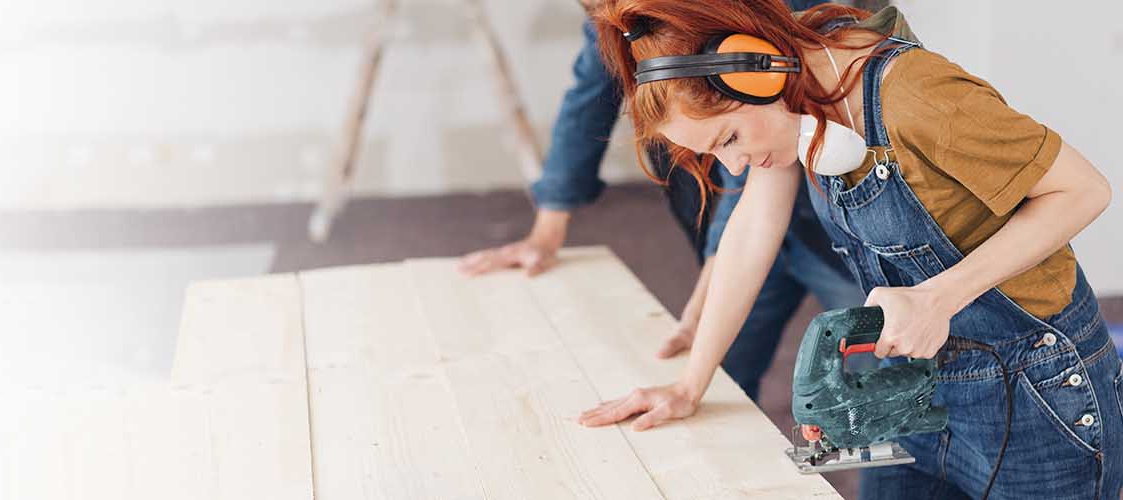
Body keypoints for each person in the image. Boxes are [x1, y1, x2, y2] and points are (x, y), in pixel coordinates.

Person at [572, 1, 1119, 498]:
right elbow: (752, 228)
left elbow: (1083, 189)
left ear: (754, 73)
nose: (734, 167)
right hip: (916, 386)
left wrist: (937, 298)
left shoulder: (914, 94)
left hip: (1036, 392)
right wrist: (691, 384)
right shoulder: (799, 100)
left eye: (730, 140)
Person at [459, 0, 861, 402]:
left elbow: (758, 125)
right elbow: (590, 92)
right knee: (720, 371)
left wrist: (715, 267)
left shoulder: (789, 45)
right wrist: (547, 230)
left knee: (881, 378)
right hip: (757, 190)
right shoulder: (625, 17)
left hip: (840, 216)